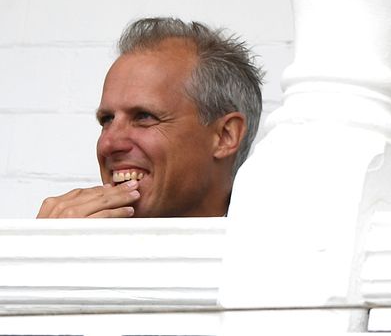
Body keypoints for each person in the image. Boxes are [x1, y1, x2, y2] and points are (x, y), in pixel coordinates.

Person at [37, 17, 264, 218]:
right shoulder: (79, 247)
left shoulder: (281, 254)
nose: (109, 143)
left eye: (144, 117)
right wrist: (48, 255)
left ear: (225, 136)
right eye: (107, 120)